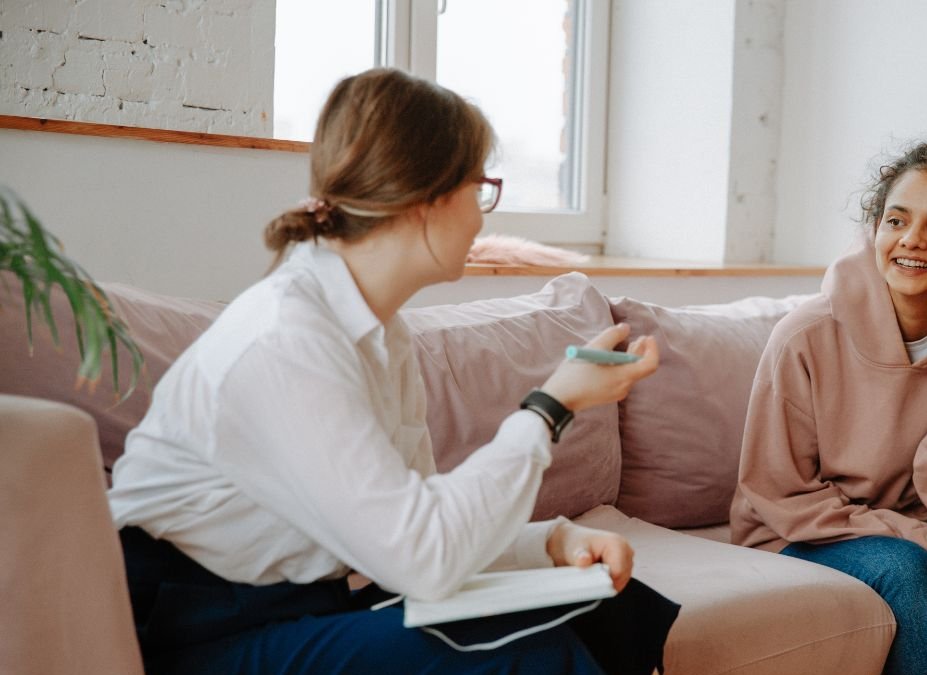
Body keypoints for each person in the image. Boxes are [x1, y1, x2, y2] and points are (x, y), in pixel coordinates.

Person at [108, 67, 678, 675]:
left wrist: (552, 543)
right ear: (423, 200)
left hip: (308, 604)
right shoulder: (287, 341)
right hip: (197, 632)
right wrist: (549, 408)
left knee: (613, 608)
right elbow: (421, 557)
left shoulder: (382, 334)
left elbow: (419, 522)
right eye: (477, 188)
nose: (482, 218)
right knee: (527, 656)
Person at [731, 138, 927, 674]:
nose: (912, 242)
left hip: (926, 521)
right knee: (903, 568)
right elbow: (777, 493)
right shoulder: (805, 336)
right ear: (874, 228)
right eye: (896, 221)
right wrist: (915, 535)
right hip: (801, 535)